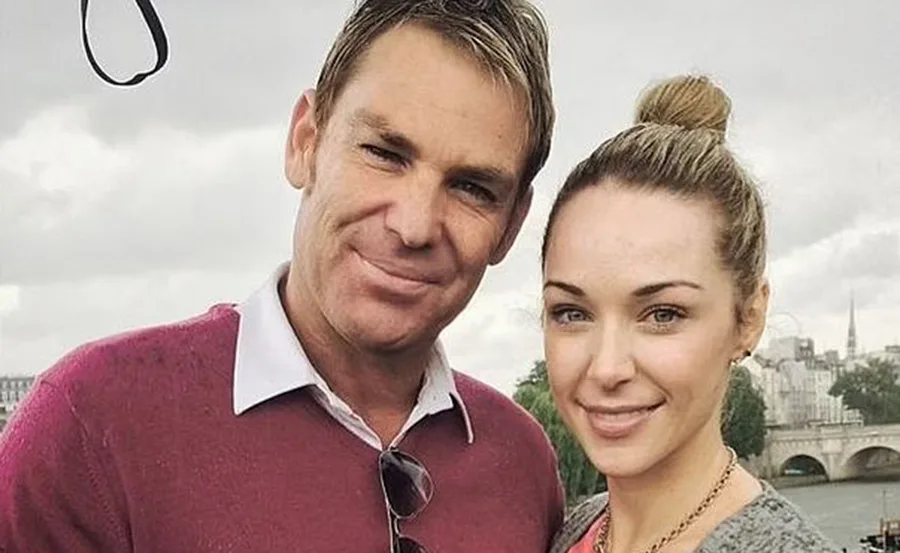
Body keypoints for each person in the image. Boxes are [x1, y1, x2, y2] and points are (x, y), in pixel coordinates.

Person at [0, 1, 565, 551]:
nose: (415, 225)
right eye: (384, 153)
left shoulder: (522, 464)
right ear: (305, 143)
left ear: (512, 224)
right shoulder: (93, 426)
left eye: (472, 188)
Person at [541, 75, 839, 553]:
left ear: (749, 319)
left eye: (662, 314)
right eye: (573, 313)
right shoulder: (579, 530)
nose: (607, 368)